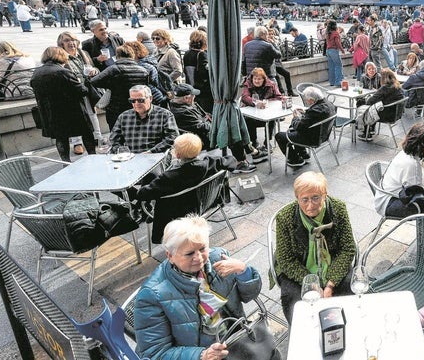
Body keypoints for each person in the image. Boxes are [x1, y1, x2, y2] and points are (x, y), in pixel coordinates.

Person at [134, 215, 263, 359]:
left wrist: (243, 270)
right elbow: (154, 353)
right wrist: (201, 355)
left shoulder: (219, 259)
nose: (199, 258)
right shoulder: (152, 296)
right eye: (189, 254)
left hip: (236, 338)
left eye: (202, 248)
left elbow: (250, 295)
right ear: (170, 255)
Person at [274, 171, 356, 324]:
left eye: (316, 198)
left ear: (325, 195)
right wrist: (311, 284)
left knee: (349, 289)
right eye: (304, 199)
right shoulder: (285, 217)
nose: (310, 205)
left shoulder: (338, 208)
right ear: (297, 198)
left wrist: (331, 283)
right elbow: (285, 260)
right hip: (298, 267)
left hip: (332, 263)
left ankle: (345, 326)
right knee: (293, 301)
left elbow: (348, 249)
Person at [134, 133, 236, 243]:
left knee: (149, 184)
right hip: (207, 203)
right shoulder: (209, 163)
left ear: (177, 155)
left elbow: (142, 194)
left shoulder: (169, 178)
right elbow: (231, 161)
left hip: (177, 213)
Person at [374, 122, 424, 220]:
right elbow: (418, 194)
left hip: (401, 192)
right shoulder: (412, 164)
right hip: (390, 202)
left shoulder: (412, 152)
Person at [30, 47, 95, 162]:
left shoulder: (37, 73)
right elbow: (82, 91)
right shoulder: (63, 72)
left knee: (60, 137)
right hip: (72, 111)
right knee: (86, 133)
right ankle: (93, 156)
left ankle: (65, 161)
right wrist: (83, 84)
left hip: (50, 112)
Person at [57, 31, 103, 150]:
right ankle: (77, 142)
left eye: (73, 40)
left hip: (87, 88)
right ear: (61, 43)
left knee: (92, 113)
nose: (71, 43)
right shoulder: (60, 56)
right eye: (67, 40)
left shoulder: (84, 54)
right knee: (75, 116)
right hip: (71, 91)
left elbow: (95, 68)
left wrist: (94, 70)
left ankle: (98, 138)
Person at [90, 44, 151, 130]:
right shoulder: (143, 70)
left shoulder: (114, 69)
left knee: (117, 134)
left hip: (116, 108)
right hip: (137, 107)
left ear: (117, 56)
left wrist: (110, 85)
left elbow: (94, 81)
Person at [275, 86, 336, 167]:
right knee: (292, 129)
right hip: (324, 135)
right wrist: (305, 113)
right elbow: (316, 115)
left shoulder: (314, 111)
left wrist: (295, 117)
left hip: (313, 139)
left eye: (307, 100)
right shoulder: (329, 104)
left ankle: (295, 159)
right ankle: (304, 154)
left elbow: (298, 126)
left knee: (279, 136)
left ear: (311, 100)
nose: (306, 101)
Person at [109, 85, 179, 154]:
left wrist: (151, 152)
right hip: (130, 159)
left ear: (150, 98)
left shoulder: (165, 115)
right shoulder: (124, 117)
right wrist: (123, 152)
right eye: (132, 101)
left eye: (141, 100)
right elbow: (113, 140)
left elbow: (172, 138)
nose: (136, 103)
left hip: (156, 157)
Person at [240, 68, 282, 161]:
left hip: (267, 112)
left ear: (264, 79)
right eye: (255, 79)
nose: (256, 81)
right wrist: (255, 103)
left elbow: (278, 97)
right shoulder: (248, 84)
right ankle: (254, 142)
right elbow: (244, 97)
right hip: (253, 114)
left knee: (271, 118)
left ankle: (267, 142)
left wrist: (266, 102)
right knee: (248, 119)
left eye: (259, 79)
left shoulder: (271, 84)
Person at [356, 68, 404, 141]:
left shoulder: (385, 88)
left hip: (387, 115)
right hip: (396, 113)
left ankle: (366, 132)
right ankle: (371, 128)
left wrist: (376, 93)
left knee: (361, 102)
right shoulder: (397, 86)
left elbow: (370, 101)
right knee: (374, 106)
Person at [169, 84, 212, 149]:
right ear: (186, 98)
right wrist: (215, 123)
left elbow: (206, 116)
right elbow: (203, 127)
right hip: (199, 145)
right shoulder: (182, 112)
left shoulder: (186, 105)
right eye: (193, 95)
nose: (194, 97)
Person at [183, 30, 213, 113]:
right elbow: (204, 73)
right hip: (202, 89)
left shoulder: (187, 53)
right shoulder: (202, 54)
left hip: (191, 86)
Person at [325, 20, 345, 87]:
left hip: (328, 51)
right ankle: (338, 81)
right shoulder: (335, 33)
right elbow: (338, 43)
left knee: (331, 67)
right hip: (334, 50)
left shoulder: (328, 33)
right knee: (338, 65)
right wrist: (342, 50)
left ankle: (332, 82)